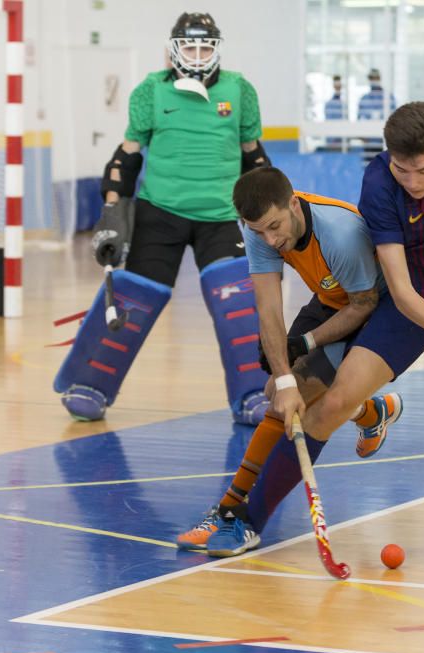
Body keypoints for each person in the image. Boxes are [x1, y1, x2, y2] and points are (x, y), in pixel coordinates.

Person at [204, 101, 424, 557]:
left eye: (423, 171)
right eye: (401, 170)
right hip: (411, 303)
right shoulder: (379, 183)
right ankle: (249, 522)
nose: (411, 183)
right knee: (332, 403)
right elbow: (399, 287)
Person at [53, 12, 273, 426]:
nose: (197, 53)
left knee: (239, 306)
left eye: (205, 46)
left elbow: (254, 156)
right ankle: (91, 386)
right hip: (160, 214)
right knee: (134, 300)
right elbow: (126, 157)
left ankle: (252, 397)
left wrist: (273, 214)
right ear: (173, 50)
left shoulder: (239, 90)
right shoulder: (150, 91)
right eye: (189, 46)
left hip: (222, 217)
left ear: (217, 48)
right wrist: (112, 213)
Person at [176, 166, 404, 554]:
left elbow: (363, 305)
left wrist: (306, 343)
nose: (270, 239)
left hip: (375, 307)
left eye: (274, 226)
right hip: (331, 301)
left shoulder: (340, 233)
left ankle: (230, 510)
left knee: (297, 398)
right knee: (277, 392)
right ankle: (370, 413)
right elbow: (267, 308)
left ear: (294, 205)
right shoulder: (259, 229)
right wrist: (283, 376)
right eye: (258, 230)